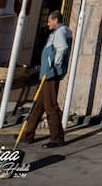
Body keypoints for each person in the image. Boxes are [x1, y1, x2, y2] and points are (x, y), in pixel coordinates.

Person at [24, 10, 73, 148]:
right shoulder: (60, 32)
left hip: (50, 74)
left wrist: (54, 64)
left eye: (50, 21)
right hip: (47, 73)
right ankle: (28, 133)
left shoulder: (60, 32)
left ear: (56, 20)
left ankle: (57, 138)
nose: (48, 23)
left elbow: (62, 48)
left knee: (50, 106)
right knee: (38, 105)